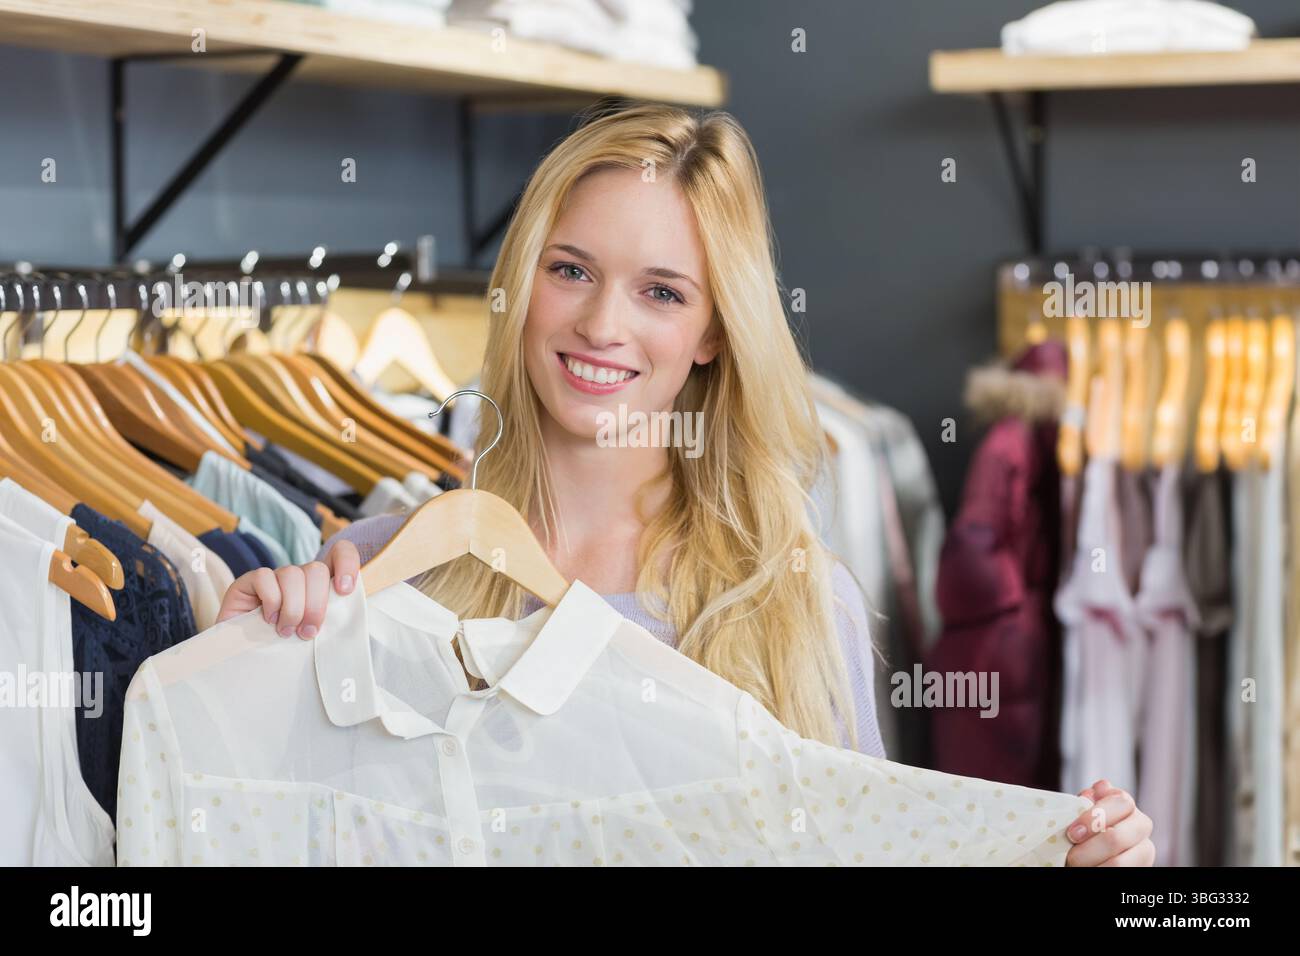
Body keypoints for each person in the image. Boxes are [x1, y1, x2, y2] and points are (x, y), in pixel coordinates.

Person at [216, 102, 1154, 866]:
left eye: (660, 292)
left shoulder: (788, 607)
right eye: (571, 270)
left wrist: (1066, 865)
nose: (600, 324)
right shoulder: (376, 572)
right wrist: (250, 660)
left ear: (713, 331)